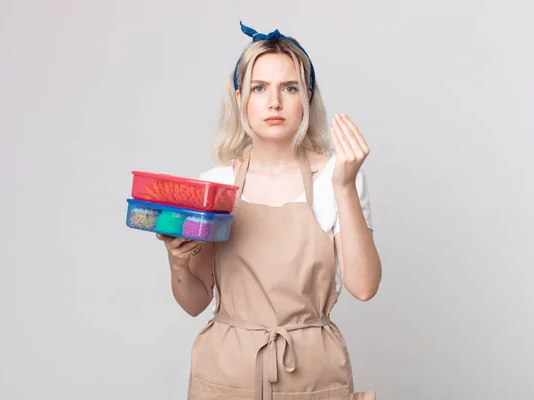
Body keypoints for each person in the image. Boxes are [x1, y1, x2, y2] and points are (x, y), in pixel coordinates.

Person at [157, 21, 382, 400]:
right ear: (240, 97)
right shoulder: (217, 182)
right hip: (226, 373)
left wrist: (345, 185)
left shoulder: (335, 178)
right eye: (259, 88)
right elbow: (196, 302)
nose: (273, 102)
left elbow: (364, 286)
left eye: (289, 88)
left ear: (307, 98)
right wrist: (178, 261)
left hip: (313, 373)